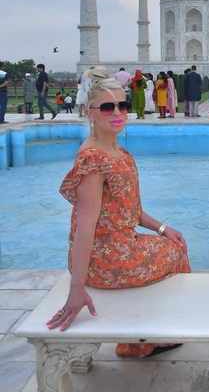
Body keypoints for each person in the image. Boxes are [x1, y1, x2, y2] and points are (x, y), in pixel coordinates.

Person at [46, 67, 190, 358]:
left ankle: (151, 330)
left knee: (176, 242)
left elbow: (131, 212)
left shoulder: (117, 151)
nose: (118, 112)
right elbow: (85, 225)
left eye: (122, 105)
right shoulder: (93, 158)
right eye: (107, 106)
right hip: (104, 260)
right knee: (176, 255)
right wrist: (76, 288)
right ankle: (146, 338)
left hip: (118, 246)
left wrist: (164, 228)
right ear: (90, 112)